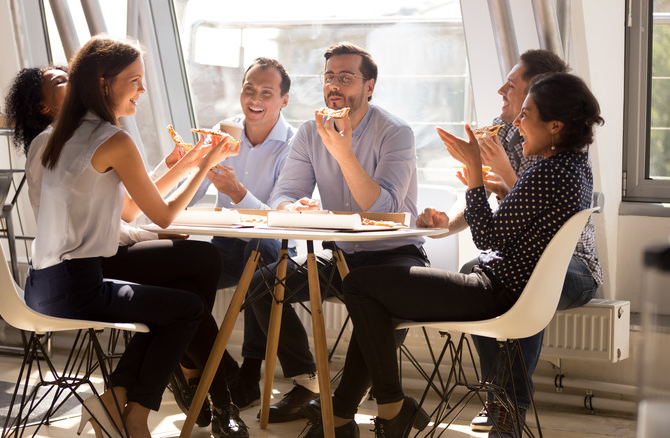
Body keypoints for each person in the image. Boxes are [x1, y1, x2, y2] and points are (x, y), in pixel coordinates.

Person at [341, 72, 603, 438]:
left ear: (555, 126)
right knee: (375, 295)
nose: (517, 123)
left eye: (526, 115)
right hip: (504, 290)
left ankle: (387, 407)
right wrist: (488, 185)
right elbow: (513, 226)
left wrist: (476, 174)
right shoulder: (575, 169)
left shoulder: (546, 171)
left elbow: (487, 236)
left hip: (494, 294)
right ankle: (382, 410)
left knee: (357, 284)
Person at [6, 63, 251, 436]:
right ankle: (200, 384)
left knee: (191, 282)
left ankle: (170, 387)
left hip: (54, 277)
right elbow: (134, 220)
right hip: (85, 273)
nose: (141, 89)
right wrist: (201, 167)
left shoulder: (61, 140)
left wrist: (186, 165)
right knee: (200, 269)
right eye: (59, 80)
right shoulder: (87, 139)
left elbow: (124, 212)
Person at [243, 42, 429, 429]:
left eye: (346, 78)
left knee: (371, 296)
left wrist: (343, 152)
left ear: (370, 86)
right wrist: (291, 208)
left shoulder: (396, 132)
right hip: (342, 257)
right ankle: (309, 384)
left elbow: (383, 210)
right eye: (329, 77)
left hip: (396, 255)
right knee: (263, 286)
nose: (334, 86)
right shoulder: (311, 132)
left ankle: (338, 414)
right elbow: (284, 193)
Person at [417, 50, 602, 436]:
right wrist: (443, 224)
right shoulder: (504, 132)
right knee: (477, 269)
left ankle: (508, 405)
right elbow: (482, 199)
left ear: (541, 97)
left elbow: (535, 209)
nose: (502, 91)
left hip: (574, 263)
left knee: (530, 281)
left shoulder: (558, 145)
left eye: (513, 86)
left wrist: (501, 171)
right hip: (526, 254)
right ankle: (498, 398)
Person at [153, 58, 296, 409]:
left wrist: (237, 193)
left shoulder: (293, 145)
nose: (255, 98)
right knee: (177, 270)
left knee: (258, 256)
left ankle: (250, 370)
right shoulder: (225, 132)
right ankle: (202, 363)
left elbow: (280, 216)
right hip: (228, 241)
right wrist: (180, 170)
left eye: (267, 92)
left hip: (274, 244)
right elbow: (196, 191)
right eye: (249, 89)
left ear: (283, 100)